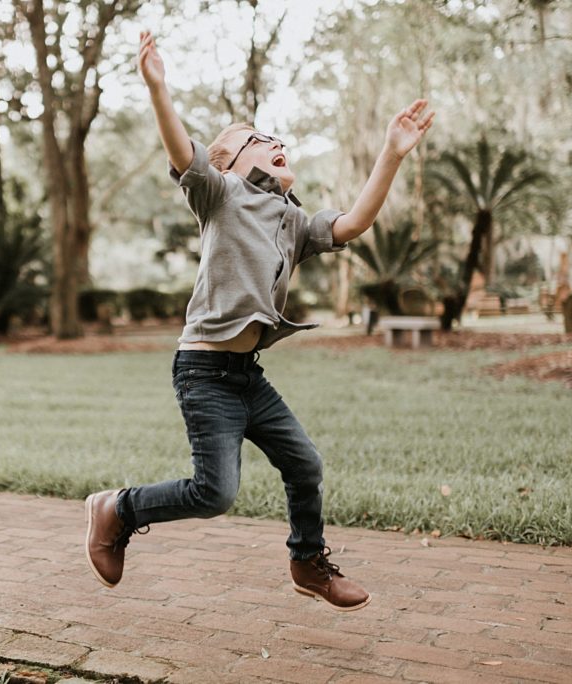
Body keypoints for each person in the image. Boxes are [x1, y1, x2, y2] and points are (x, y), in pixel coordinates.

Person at [84, 30, 434, 611]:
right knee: (215, 492)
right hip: (203, 372)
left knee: (305, 463)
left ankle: (307, 560)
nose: (275, 142)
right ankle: (115, 509)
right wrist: (158, 88)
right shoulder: (219, 194)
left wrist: (392, 153)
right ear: (228, 163)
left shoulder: (291, 220)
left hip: (247, 375)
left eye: (277, 138)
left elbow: (352, 224)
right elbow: (181, 151)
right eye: (258, 139)